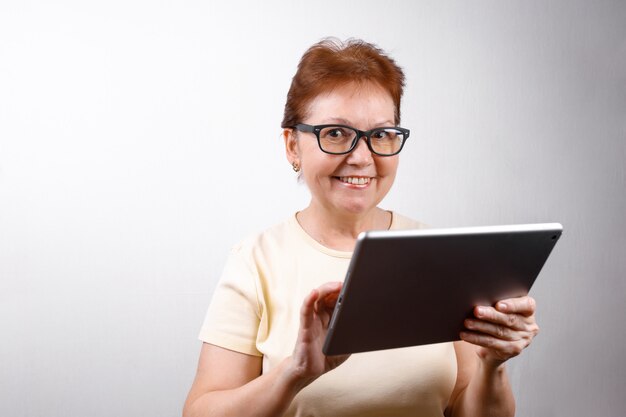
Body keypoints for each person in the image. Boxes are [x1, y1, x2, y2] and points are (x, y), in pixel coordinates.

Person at [183, 38, 540, 417]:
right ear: (292, 146)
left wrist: (492, 363)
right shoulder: (256, 261)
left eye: (381, 134)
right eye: (336, 133)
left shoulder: (444, 255)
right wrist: (295, 372)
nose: (362, 157)